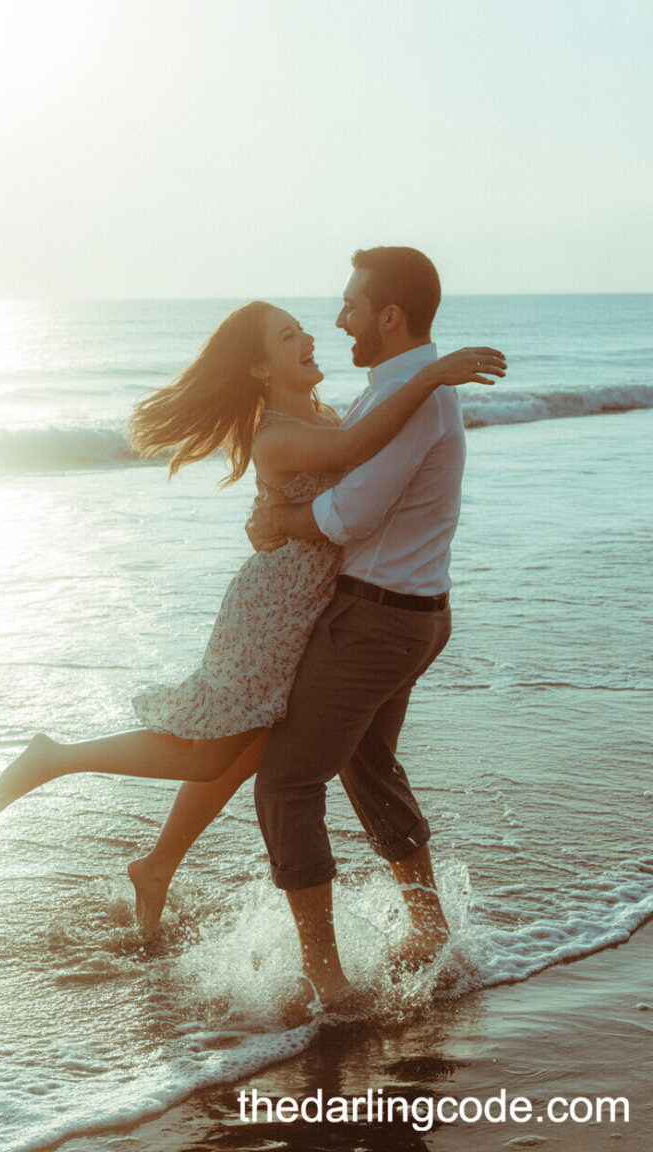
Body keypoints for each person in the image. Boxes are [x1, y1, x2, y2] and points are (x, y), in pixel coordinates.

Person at [0, 287, 504, 962]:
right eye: (289, 336)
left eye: (301, 330)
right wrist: (433, 373)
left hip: (308, 612)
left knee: (246, 750)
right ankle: (56, 757)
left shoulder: (321, 409)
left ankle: (156, 867)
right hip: (270, 614)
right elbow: (356, 446)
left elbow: (360, 450)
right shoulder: (279, 433)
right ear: (261, 369)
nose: (308, 338)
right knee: (212, 750)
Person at [240, 246, 481, 1007]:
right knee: (369, 765)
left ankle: (328, 981)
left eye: (350, 304)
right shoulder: (399, 389)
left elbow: (352, 512)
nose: (338, 317)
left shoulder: (414, 392)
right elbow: (347, 470)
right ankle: (429, 926)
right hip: (406, 611)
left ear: (389, 315)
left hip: (378, 618)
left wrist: (279, 517)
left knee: (285, 780)